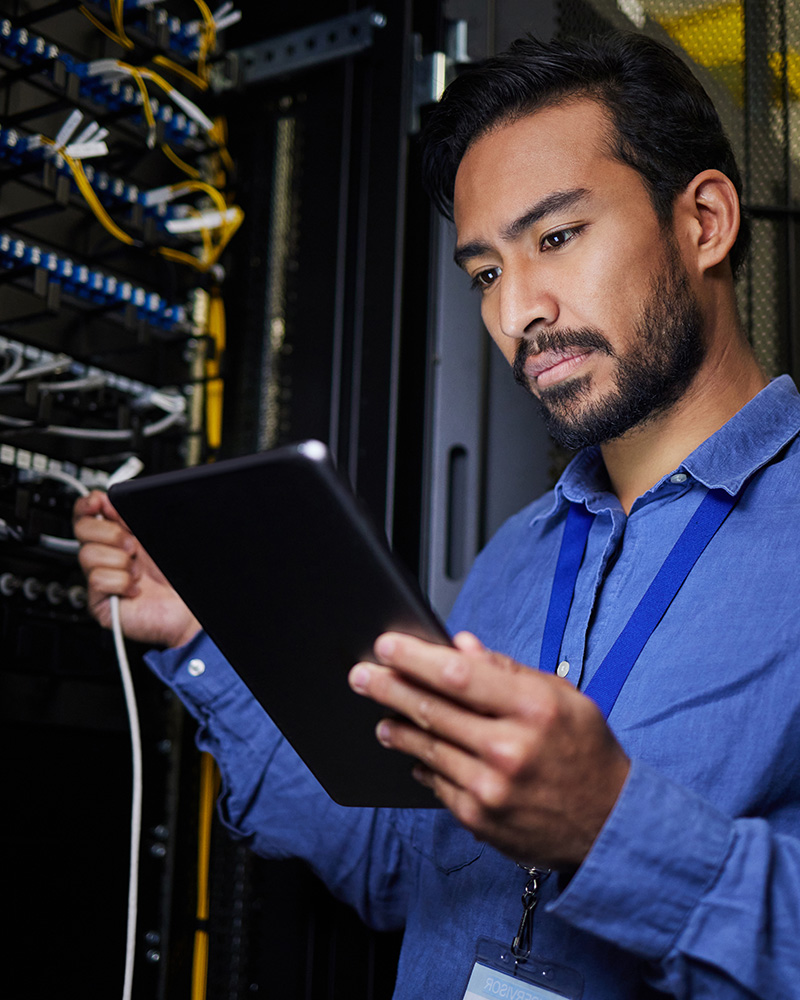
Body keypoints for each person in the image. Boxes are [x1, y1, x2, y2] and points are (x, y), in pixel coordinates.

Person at [74, 31, 800, 1000]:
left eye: (553, 237)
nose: (515, 314)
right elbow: (397, 869)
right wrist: (202, 634)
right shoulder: (516, 556)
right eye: (484, 272)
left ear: (703, 221)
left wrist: (609, 827)